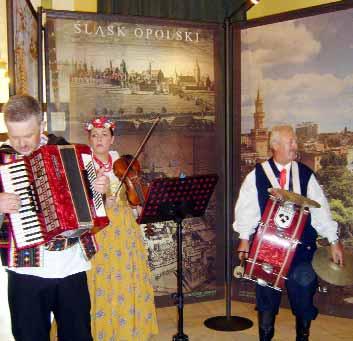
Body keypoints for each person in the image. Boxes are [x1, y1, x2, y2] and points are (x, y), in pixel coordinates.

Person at [0, 94, 109, 341]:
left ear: (43, 123)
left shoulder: (65, 149)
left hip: (71, 265)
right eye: (14, 136)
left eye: (28, 135)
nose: (22, 143)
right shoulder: (3, 159)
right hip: (25, 270)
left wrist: (99, 188)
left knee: (78, 336)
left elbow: (91, 205)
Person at [233, 125, 344, 341]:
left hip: (301, 250)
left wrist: (334, 240)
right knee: (266, 298)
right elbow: (246, 211)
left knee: (304, 285)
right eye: (290, 141)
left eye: (295, 141)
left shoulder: (305, 175)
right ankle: (265, 336)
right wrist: (244, 239)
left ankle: (302, 336)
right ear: (275, 146)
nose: (296, 145)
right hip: (267, 251)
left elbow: (321, 210)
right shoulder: (256, 176)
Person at [85, 117, 158, 340]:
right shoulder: (84, 165)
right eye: (95, 135)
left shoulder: (121, 164)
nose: (100, 139)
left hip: (125, 229)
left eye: (104, 135)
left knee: (128, 278)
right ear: (89, 139)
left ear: (112, 139)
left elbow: (132, 196)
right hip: (99, 231)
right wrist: (100, 197)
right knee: (103, 281)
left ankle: (130, 331)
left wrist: (137, 200)